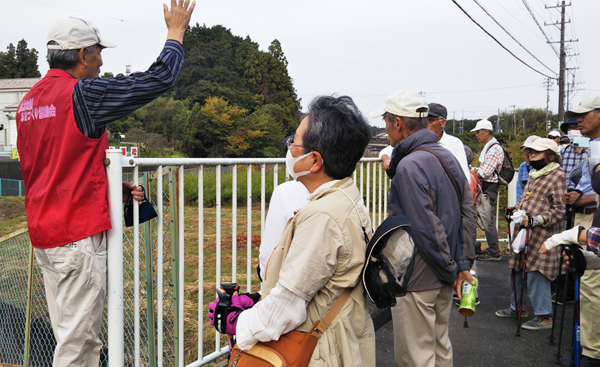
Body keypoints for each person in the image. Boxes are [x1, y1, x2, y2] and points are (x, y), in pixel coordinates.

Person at [15, 2, 195, 366]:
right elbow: (155, 80)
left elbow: (56, 166)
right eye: (98, 53)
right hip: (77, 237)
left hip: (47, 234)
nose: (101, 62)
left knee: (72, 334)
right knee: (78, 347)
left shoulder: (29, 102)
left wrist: (112, 188)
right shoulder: (82, 94)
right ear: (83, 54)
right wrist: (176, 33)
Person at [233, 95, 375, 366]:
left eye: (294, 143)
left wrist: (238, 324)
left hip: (321, 350)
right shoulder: (346, 197)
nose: (290, 150)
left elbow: (284, 310)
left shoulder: (321, 216)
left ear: (314, 161)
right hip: (344, 334)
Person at [371, 89, 476, 367]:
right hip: (446, 271)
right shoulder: (445, 155)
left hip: (418, 276)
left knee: (416, 357)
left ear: (398, 123)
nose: (385, 129)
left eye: (385, 122)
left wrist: (449, 268)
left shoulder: (408, 165)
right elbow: (468, 209)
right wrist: (461, 264)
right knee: (441, 348)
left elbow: (426, 228)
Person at [494, 138, 565, 330]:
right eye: (530, 151)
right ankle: (516, 308)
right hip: (524, 232)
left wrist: (536, 220)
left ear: (550, 156)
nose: (531, 155)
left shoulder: (557, 175)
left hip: (543, 233)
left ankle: (544, 317)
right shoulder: (534, 173)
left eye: (537, 152)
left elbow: (560, 210)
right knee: (516, 269)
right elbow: (525, 199)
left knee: (536, 273)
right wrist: (515, 209)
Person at [562, 96, 600, 366]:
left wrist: (589, 198)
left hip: (592, 221)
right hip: (585, 218)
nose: (578, 120)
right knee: (587, 285)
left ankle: (591, 352)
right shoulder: (591, 147)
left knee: (590, 286)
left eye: (584, 114)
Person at [471, 119, 504, 261]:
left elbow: (485, 172)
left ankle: (494, 251)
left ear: (486, 132)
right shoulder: (491, 147)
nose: (476, 135)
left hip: (488, 187)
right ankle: (492, 249)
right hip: (488, 187)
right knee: (486, 218)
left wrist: (471, 175)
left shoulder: (494, 149)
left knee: (487, 219)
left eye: (478, 132)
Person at [427, 102, 471, 184]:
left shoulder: (454, 144)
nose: (426, 124)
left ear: (443, 122)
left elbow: (464, 178)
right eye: (423, 120)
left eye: (430, 120)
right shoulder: (416, 142)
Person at [516, 135, 540, 202]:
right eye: (527, 150)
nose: (529, 153)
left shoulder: (549, 167)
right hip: (527, 204)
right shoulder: (523, 166)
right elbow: (519, 189)